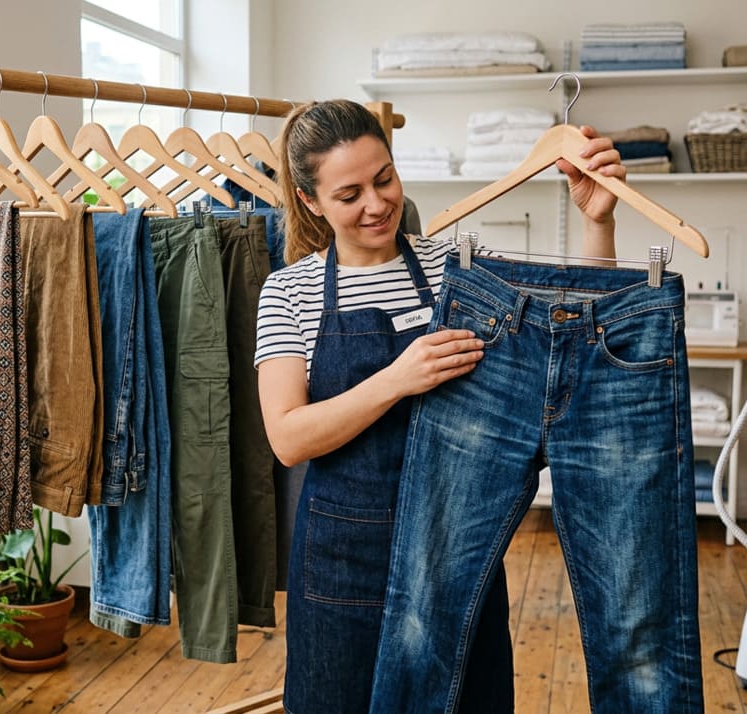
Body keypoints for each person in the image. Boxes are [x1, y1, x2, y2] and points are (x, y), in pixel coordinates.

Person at [253, 99, 624, 714]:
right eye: (349, 194)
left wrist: (599, 223)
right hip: (345, 559)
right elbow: (289, 437)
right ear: (311, 200)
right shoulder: (289, 290)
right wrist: (398, 379)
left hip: (458, 549)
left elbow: (577, 336)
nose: (376, 204)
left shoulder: (460, 270)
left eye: (384, 179)